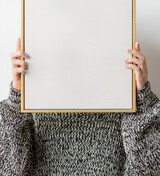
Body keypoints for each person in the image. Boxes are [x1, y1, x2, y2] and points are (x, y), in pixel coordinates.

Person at [0, 37, 159, 176]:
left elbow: (148, 169)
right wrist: (17, 95)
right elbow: (9, 169)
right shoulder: (37, 96)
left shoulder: (120, 98)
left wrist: (142, 95)